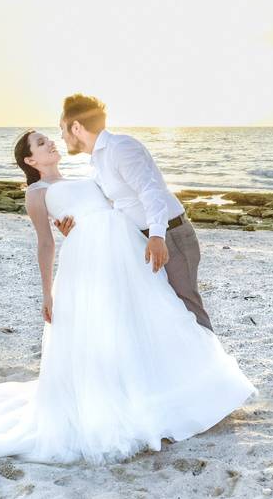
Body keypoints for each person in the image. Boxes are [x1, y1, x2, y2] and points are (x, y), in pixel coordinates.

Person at [0, 129, 258, 467]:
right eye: (41, 143)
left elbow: (120, 204)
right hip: (86, 268)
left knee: (153, 319)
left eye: (49, 139)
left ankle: (170, 391)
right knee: (104, 331)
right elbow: (46, 243)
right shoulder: (37, 194)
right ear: (30, 160)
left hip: (123, 260)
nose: (50, 145)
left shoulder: (90, 176)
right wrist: (46, 290)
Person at [55, 94, 214, 332]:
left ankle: (211, 366)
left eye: (62, 129)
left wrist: (158, 237)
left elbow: (151, 192)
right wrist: (75, 229)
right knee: (160, 310)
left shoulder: (121, 148)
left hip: (170, 235)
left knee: (187, 307)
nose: (61, 135)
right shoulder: (98, 162)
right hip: (143, 241)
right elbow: (109, 208)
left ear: (76, 127)